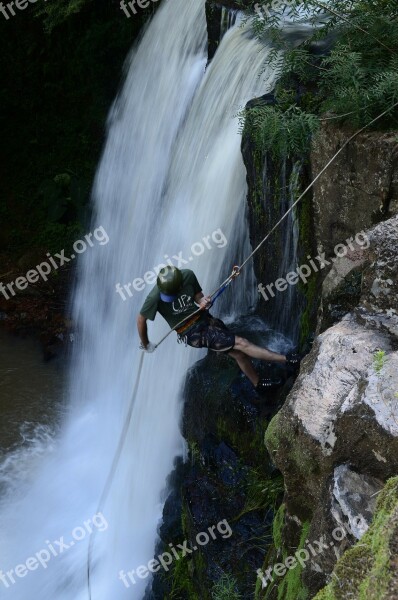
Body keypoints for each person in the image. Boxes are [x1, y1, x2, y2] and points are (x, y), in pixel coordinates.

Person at [137, 266, 300, 394]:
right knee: (242, 343)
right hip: (192, 333)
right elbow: (141, 319)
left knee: (238, 353)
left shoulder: (187, 276)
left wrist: (202, 301)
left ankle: (258, 384)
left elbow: (198, 296)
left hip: (205, 319)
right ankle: (287, 359)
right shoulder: (154, 297)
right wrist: (146, 343)